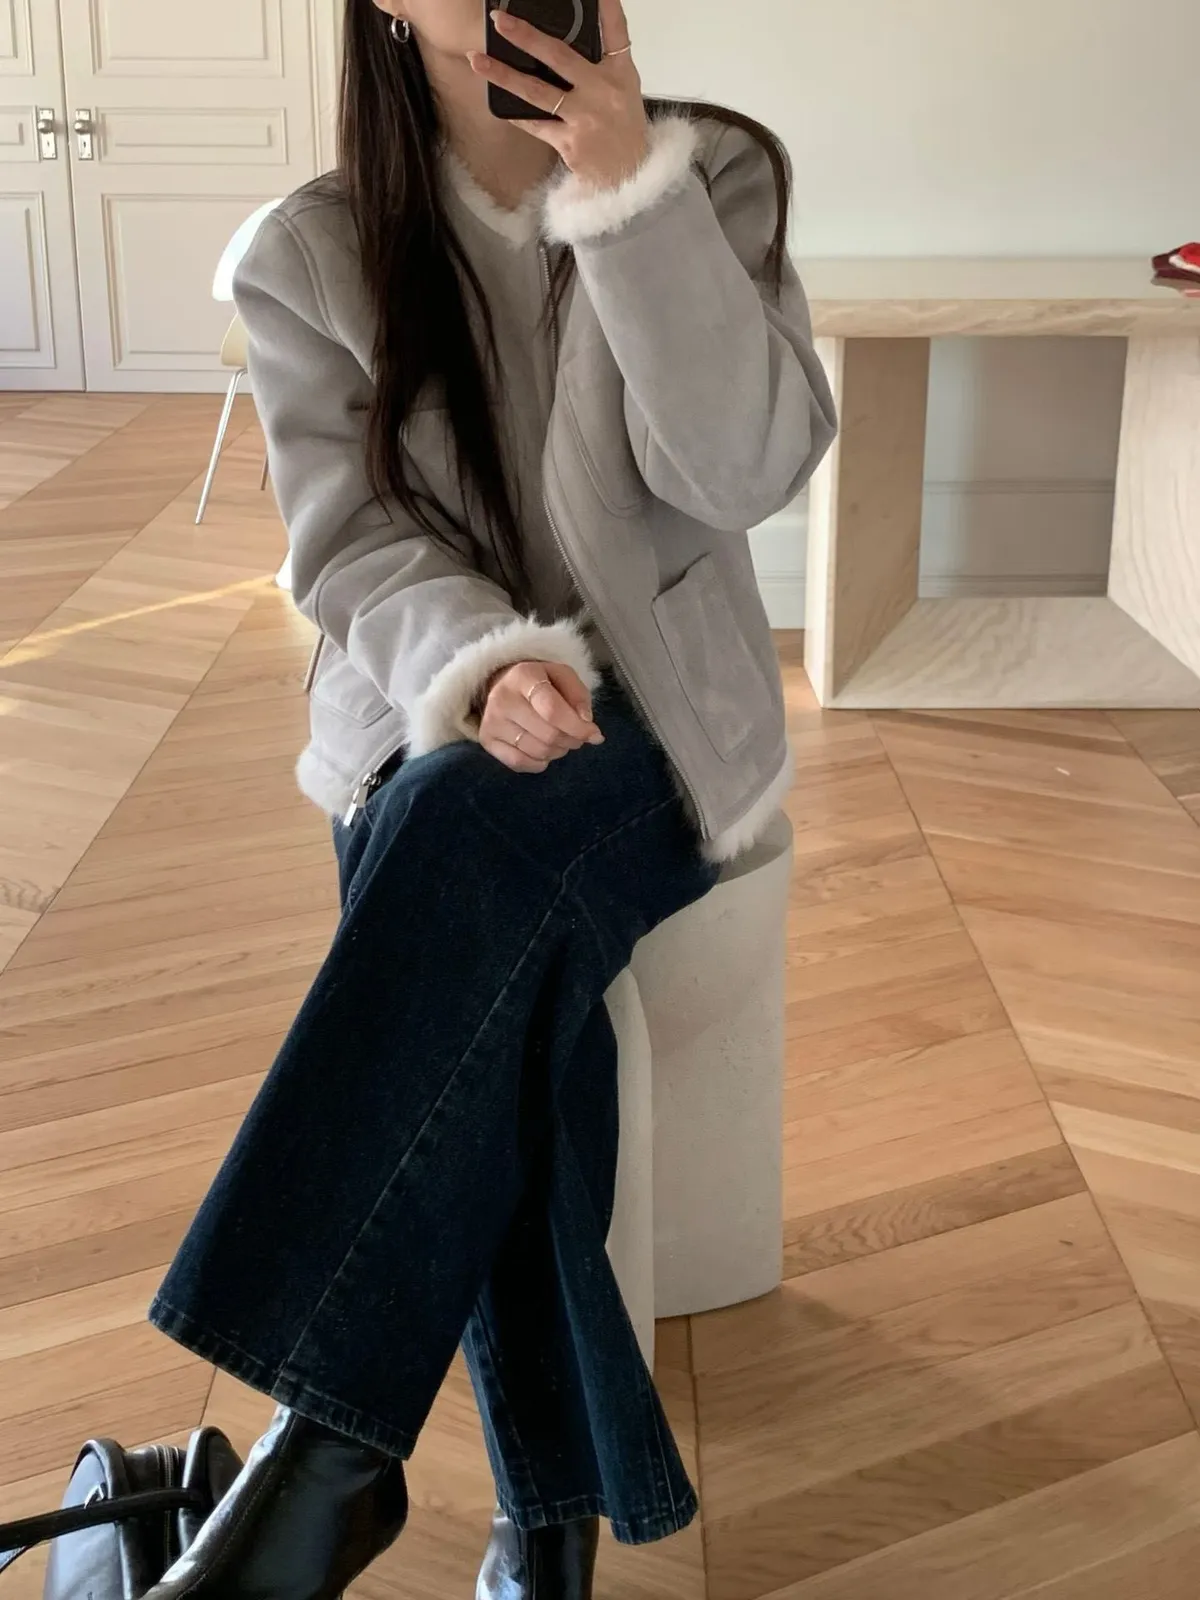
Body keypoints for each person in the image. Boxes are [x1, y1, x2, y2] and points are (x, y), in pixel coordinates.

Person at [143, 1, 837, 1597]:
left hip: (659, 716)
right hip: (427, 704)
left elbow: (744, 474)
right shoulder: (309, 250)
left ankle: (330, 1457)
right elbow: (349, 544)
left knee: (454, 854)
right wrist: (484, 666)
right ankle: (536, 1524)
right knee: (477, 889)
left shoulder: (714, 174)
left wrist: (629, 197)